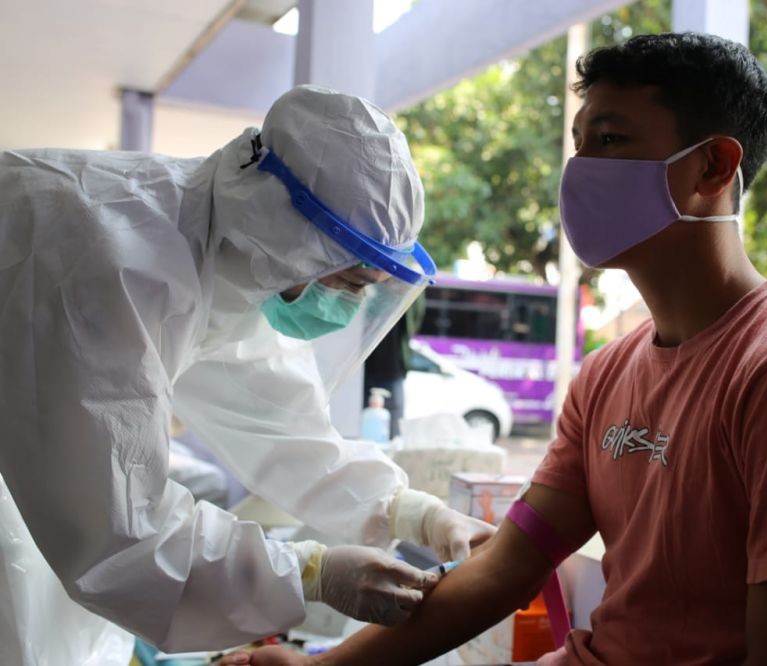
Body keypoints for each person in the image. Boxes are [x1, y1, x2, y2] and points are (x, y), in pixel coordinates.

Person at [222, 33, 767, 666]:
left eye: (610, 140)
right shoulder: (611, 371)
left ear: (711, 167)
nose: (579, 172)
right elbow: (506, 567)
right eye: (579, 145)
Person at [0, 85, 494, 663]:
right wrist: (309, 573)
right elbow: (121, 536)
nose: (348, 307)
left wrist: (409, 510)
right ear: (291, 242)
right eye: (351, 282)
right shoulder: (107, 262)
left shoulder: (216, 253)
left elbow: (277, 420)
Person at [363, 295, 426, 438]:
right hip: (359, 373)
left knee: (390, 433)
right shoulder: (367, 285)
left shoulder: (410, 287)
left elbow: (415, 320)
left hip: (392, 371)